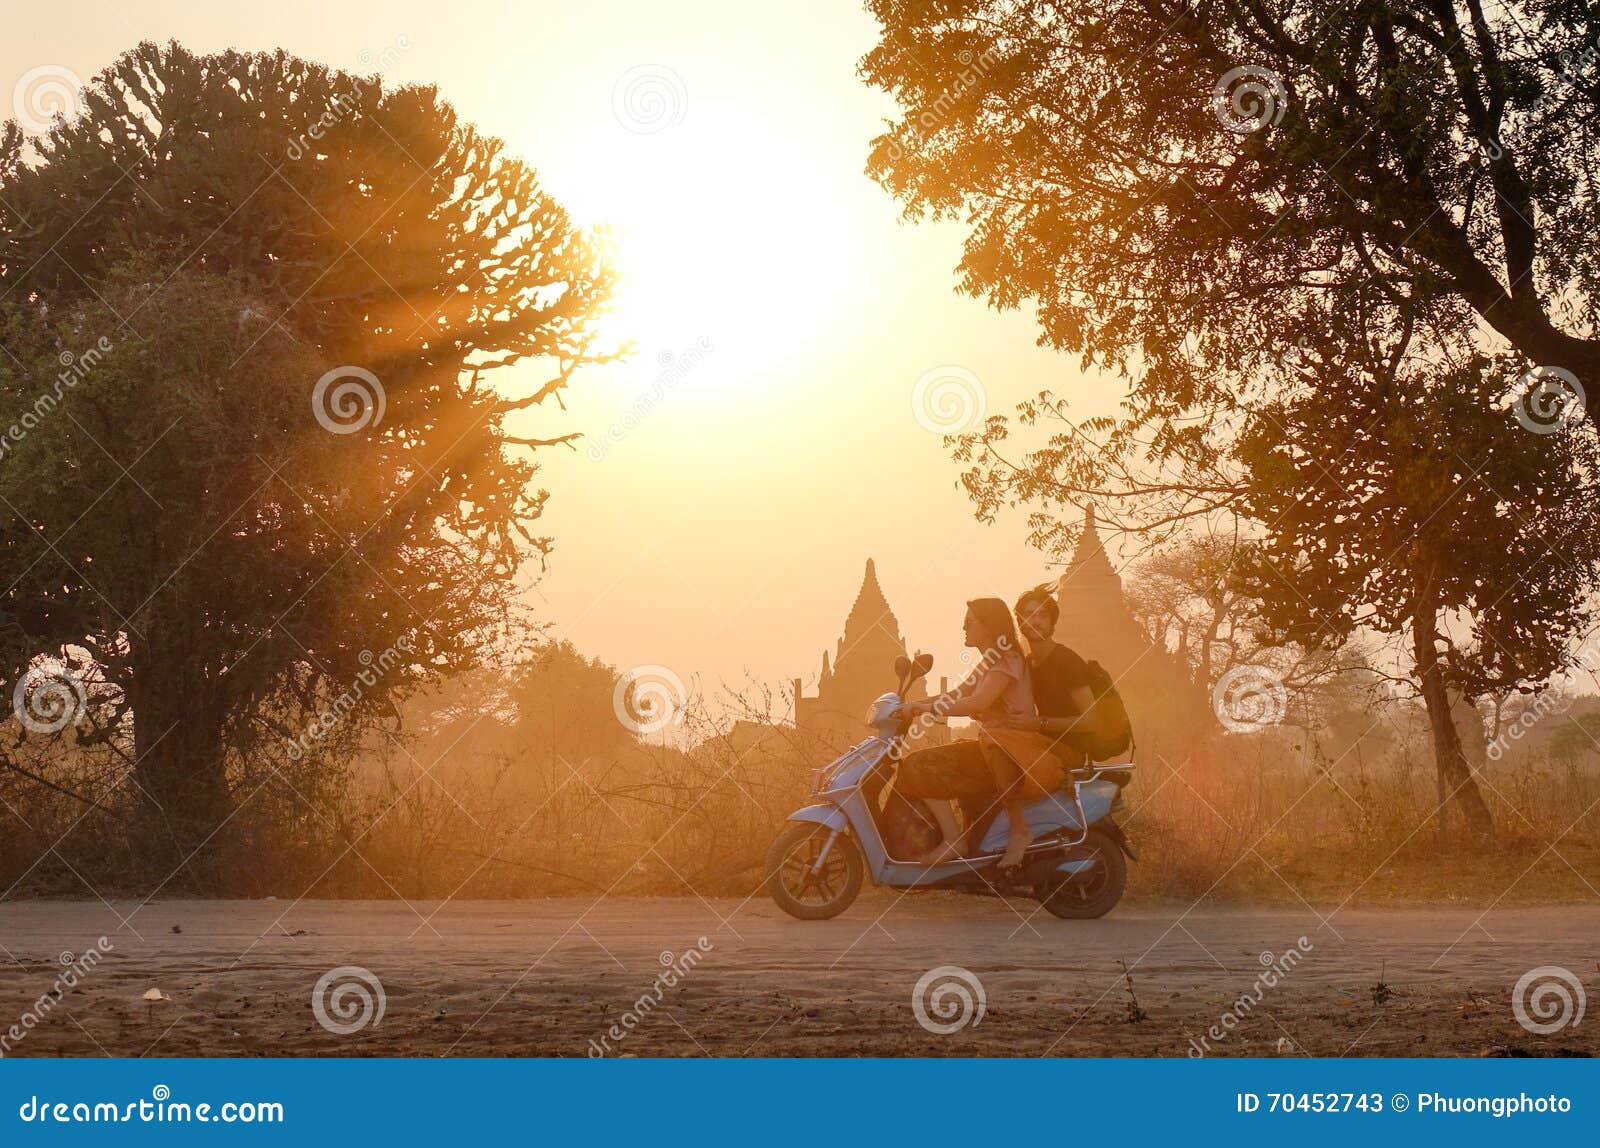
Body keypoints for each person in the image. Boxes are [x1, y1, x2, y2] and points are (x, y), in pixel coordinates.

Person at [894, 598, 1050, 865]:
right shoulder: (990, 661)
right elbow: (958, 693)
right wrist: (912, 705)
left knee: (919, 765)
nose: (963, 628)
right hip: (991, 744)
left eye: (969, 622)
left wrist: (922, 709)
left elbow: (977, 703)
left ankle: (957, 840)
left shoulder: (1007, 660)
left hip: (1010, 750)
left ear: (988, 627)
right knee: (913, 765)